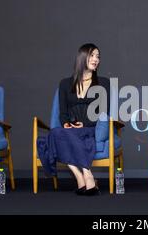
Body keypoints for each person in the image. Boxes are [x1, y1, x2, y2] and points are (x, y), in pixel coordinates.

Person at [38, 43, 109, 196]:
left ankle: (84, 176)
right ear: (82, 57)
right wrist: (67, 124)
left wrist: (86, 123)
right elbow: (62, 112)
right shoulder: (64, 84)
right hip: (70, 128)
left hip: (91, 128)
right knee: (57, 132)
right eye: (92, 55)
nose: (96, 59)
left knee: (57, 136)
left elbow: (103, 111)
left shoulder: (103, 83)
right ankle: (83, 175)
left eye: (98, 56)